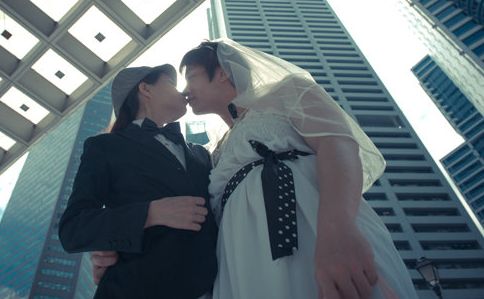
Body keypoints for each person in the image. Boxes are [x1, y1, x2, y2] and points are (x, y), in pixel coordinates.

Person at [177, 39, 418, 299]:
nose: (185, 90)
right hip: (242, 260)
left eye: (191, 77)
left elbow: (336, 145)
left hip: (314, 229)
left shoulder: (286, 93)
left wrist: (337, 229)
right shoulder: (216, 150)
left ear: (222, 72)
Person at [59, 64, 218, 299]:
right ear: (145, 88)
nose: (183, 91)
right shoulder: (104, 147)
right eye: (171, 83)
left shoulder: (202, 154)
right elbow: (73, 229)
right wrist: (151, 213)